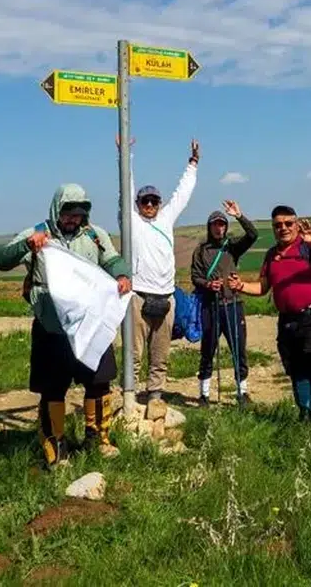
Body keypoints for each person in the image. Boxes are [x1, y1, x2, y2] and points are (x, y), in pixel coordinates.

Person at [0, 184, 132, 466]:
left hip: (90, 324)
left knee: (99, 382)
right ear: (57, 210)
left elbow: (112, 259)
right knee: (52, 389)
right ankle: (55, 447)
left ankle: (98, 439)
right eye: (68, 214)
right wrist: (27, 245)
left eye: (78, 215)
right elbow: (0, 261)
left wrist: (121, 275)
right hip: (51, 326)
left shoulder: (94, 235)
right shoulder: (36, 233)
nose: (73, 220)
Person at [230, 207, 311, 420]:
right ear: (273, 228)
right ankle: (305, 413)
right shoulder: (271, 255)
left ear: (296, 225)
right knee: (295, 368)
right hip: (287, 319)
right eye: (278, 225)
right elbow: (263, 286)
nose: (283, 228)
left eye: (288, 223)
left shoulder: (307, 247)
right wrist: (240, 286)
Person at [127, 139, 199, 419]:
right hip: (137, 296)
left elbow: (182, 193)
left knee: (160, 354)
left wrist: (193, 164)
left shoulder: (166, 219)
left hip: (165, 297)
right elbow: (125, 187)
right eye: (144, 201)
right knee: (133, 354)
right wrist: (125, 154)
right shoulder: (131, 222)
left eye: (154, 201)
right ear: (137, 204)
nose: (149, 205)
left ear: (160, 203)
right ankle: (130, 400)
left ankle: (155, 398)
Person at [190, 200, 258, 407]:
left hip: (232, 304)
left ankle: (242, 392)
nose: (219, 228)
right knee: (208, 349)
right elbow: (195, 277)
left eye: (222, 224)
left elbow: (253, 235)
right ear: (209, 227)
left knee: (238, 348)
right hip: (210, 306)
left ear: (226, 227)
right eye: (215, 224)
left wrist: (239, 215)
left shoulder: (232, 247)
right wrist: (208, 284)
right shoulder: (201, 251)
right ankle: (204, 395)